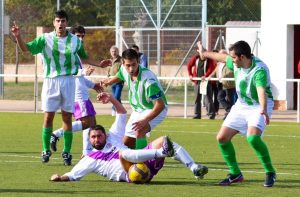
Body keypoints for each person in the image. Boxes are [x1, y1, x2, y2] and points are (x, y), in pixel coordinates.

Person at [10, 10, 110, 165]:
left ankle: (66, 152)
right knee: (48, 117)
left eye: (63, 21)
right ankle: (45, 149)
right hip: (51, 82)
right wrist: (18, 36)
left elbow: (84, 56)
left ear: (66, 23)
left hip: (68, 81)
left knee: (66, 118)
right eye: (58, 20)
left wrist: (99, 63)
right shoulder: (45, 39)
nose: (61, 24)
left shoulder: (75, 41)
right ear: (54, 23)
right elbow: (26, 49)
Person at [50, 92, 208, 183]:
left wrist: (111, 98)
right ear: (90, 140)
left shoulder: (113, 137)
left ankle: (193, 167)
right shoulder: (90, 158)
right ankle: (162, 153)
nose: (97, 139)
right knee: (123, 153)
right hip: (133, 174)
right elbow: (73, 175)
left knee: (164, 140)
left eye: (99, 136)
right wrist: (60, 177)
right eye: (93, 137)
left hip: (143, 163)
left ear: (105, 135)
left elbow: (122, 113)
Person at [197, 40, 276, 187]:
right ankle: (235, 174)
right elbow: (221, 57)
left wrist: (264, 110)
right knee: (222, 138)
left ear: (242, 57)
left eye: (234, 57)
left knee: (252, 138)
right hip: (241, 105)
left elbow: (261, 91)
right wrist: (204, 53)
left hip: (259, 105)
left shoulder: (259, 70)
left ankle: (270, 171)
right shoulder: (237, 62)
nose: (231, 60)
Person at [50, 25, 102, 157]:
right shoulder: (70, 54)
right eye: (78, 36)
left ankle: (87, 152)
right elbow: (70, 72)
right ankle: (57, 134)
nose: (81, 38)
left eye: (82, 36)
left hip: (81, 92)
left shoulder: (77, 54)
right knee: (87, 123)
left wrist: (93, 85)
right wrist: (84, 71)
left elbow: (80, 77)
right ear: (72, 37)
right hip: (77, 94)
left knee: (92, 123)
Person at [100, 49, 168, 150]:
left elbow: (160, 105)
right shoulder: (124, 69)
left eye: (134, 64)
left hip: (155, 108)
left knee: (140, 130)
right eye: (128, 65)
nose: (131, 69)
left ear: (138, 62)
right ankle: (134, 160)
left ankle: (143, 162)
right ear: (123, 63)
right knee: (126, 143)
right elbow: (120, 75)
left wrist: (145, 120)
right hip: (138, 110)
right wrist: (109, 82)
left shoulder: (148, 80)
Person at [207, 49, 236, 120]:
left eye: (221, 55)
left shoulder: (230, 63)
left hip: (229, 84)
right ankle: (229, 111)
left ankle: (229, 115)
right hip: (220, 84)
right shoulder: (219, 64)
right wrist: (209, 77)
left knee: (230, 100)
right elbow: (214, 72)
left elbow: (232, 72)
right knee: (219, 97)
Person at [187, 53, 217, 119]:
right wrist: (190, 74)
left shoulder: (209, 60)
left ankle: (211, 114)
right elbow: (189, 65)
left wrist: (205, 76)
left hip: (206, 82)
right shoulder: (195, 58)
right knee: (197, 98)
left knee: (208, 98)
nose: (203, 55)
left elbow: (211, 68)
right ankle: (197, 114)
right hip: (197, 81)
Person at [107, 45, 124, 116]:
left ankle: (114, 109)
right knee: (117, 98)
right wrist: (108, 77)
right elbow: (109, 70)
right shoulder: (109, 60)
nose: (114, 53)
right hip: (111, 82)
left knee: (116, 97)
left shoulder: (121, 60)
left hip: (119, 82)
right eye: (112, 51)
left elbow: (123, 70)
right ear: (110, 52)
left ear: (118, 52)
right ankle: (121, 110)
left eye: (115, 51)